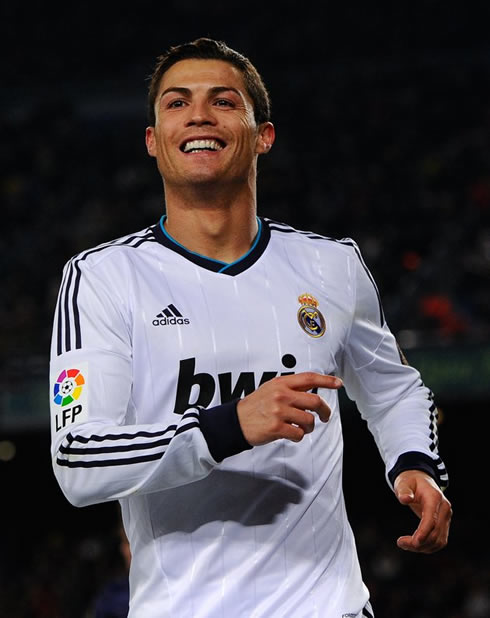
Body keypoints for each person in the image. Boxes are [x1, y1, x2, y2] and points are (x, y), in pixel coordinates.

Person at [49, 37, 452, 617]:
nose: (198, 115)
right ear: (152, 142)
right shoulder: (104, 278)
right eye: (176, 103)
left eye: (223, 101)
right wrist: (230, 425)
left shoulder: (331, 265)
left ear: (263, 134)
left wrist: (414, 460)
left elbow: (393, 389)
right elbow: (80, 460)